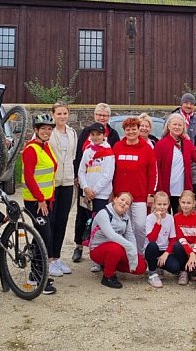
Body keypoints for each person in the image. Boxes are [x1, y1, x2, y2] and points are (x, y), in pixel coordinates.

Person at [72, 103, 119, 263]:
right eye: (99, 114)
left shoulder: (113, 135)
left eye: (105, 115)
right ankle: (79, 245)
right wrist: (84, 186)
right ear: (94, 115)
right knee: (82, 216)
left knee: (100, 220)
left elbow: (110, 169)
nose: (102, 117)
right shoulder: (86, 133)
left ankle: (98, 252)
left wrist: (97, 190)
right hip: (85, 186)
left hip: (101, 189)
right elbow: (79, 156)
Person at [21, 113, 58, 294]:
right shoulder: (31, 149)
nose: (46, 131)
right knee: (44, 238)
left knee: (41, 238)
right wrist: (41, 199)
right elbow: (28, 177)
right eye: (43, 128)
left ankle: (35, 275)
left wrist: (48, 198)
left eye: (49, 129)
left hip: (46, 200)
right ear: (36, 130)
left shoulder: (46, 146)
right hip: (35, 201)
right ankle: (39, 277)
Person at [112, 117, 157, 254]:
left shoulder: (147, 148)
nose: (131, 132)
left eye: (134, 129)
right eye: (128, 129)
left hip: (139, 196)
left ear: (138, 130)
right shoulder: (118, 147)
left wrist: (151, 193)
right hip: (120, 196)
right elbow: (111, 170)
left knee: (139, 226)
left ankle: (140, 253)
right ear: (124, 131)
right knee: (123, 226)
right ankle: (126, 252)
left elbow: (153, 173)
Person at [154, 113, 196, 214]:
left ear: (183, 127)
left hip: (182, 190)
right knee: (165, 219)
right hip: (165, 190)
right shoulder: (161, 145)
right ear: (169, 126)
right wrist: (158, 190)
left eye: (180, 125)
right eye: (174, 124)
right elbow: (156, 168)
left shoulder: (187, 143)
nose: (177, 127)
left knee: (180, 218)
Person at [88, 192, 146, 289]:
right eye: (122, 200)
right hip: (98, 249)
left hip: (117, 249)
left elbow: (131, 237)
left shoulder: (126, 218)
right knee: (115, 248)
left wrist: (134, 254)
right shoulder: (103, 213)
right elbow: (111, 235)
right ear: (115, 199)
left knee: (141, 267)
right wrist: (130, 248)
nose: (124, 203)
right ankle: (108, 276)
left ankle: (109, 264)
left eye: (127, 203)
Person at [47, 102, 77, 276]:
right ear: (53, 114)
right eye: (59, 113)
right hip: (52, 181)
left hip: (67, 181)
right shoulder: (49, 133)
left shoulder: (72, 133)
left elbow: (72, 157)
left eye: (65, 113)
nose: (62, 116)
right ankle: (49, 257)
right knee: (51, 219)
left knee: (62, 220)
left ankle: (57, 256)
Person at [76, 122, 115, 239]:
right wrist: (86, 188)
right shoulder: (88, 151)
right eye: (93, 134)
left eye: (98, 134)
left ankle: (100, 246)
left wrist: (94, 191)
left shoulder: (108, 153)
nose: (95, 137)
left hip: (100, 195)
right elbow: (81, 171)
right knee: (89, 221)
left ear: (104, 135)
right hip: (87, 194)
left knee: (100, 223)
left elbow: (107, 175)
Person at [143, 191, 185, 288]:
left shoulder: (170, 218)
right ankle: (152, 273)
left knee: (175, 267)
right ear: (154, 204)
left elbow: (173, 239)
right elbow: (151, 239)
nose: (162, 207)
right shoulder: (149, 218)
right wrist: (158, 221)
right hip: (152, 249)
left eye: (165, 204)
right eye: (159, 204)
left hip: (164, 250)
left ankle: (159, 266)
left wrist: (166, 254)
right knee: (153, 246)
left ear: (168, 205)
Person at [174, 93, 196, 208]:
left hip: (192, 158)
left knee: (194, 186)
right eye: (186, 103)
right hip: (177, 157)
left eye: (191, 104)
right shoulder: (174, 117)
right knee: (177, 188)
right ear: (181, 104)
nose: (189, 106)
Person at [172, 190, 196, 285]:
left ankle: (191, 270)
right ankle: (183, 271)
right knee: (177, 246)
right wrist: (191, 253)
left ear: (194, 204)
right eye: (183, 202)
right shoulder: (176, 217)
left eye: (189, 203)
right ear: (179, 202)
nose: (185, 205)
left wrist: (194, 253)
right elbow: (180, 237)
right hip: (184, 248)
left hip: (195, 248)